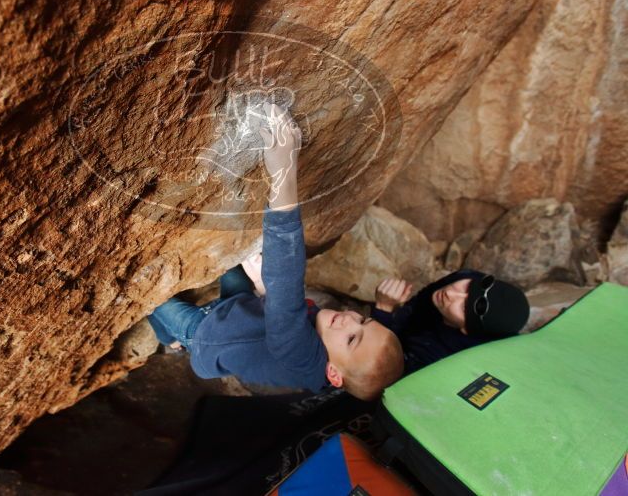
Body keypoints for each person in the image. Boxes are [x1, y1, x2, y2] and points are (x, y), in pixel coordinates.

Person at [147, 103, 403, 400]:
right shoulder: (322, 337)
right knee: (232, 261)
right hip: (241, 310)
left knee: (152, 296)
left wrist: (284, 172)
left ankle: (173, 339)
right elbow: (279, 304)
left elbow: (286, 287)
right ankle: (170, 337)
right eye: (363, 320)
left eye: (351, 339)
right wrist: (261, 287)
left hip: (206, 336)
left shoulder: (302, 359)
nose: (350, 320)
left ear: (333, 373)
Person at [371, 270, 530, 376]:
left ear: (466, 330)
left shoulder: (438, 360)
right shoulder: (467, 277)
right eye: (467, 288)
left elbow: (382, 371)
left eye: (462, 307)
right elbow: (420, 302)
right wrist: (401, 313)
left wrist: (384, 309)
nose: (450, 293)